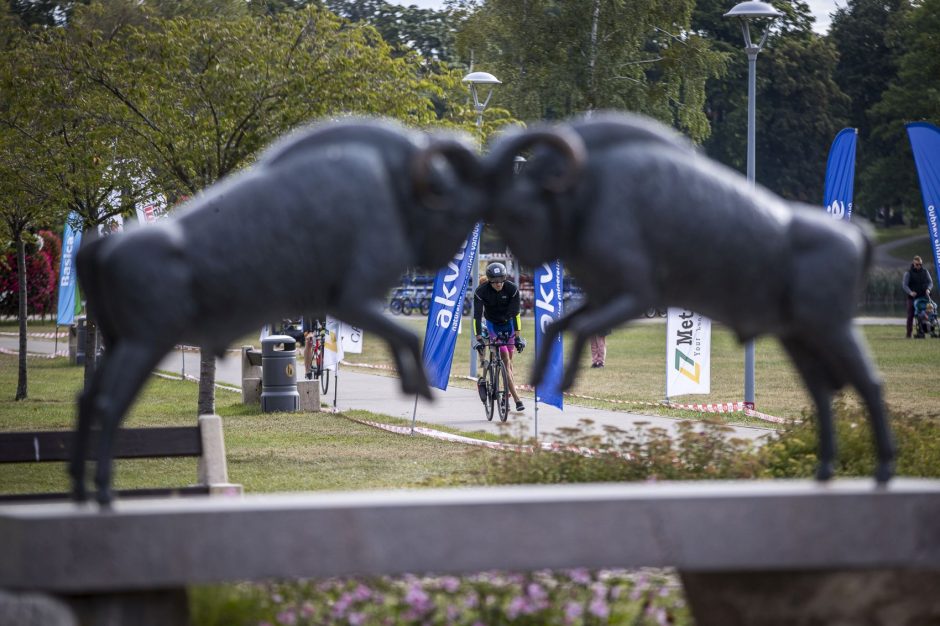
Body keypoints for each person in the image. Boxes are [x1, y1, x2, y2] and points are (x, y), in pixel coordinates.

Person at [473, 262, 526, 412]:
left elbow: (516, 314)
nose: (499, 284)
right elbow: (476, 318)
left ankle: (505, 394)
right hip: (492, 325)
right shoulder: (481, 292)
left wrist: (517, 337)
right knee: (504, 357)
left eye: (501, 280)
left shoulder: (512, 289)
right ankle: (516, 399)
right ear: (489, 281)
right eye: (495, 282)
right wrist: (478, 339)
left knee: (508, 365)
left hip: (508, 324)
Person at [903, 256, 933, 338]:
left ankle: (924, 330)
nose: (919, 266)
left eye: (920, 264)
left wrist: (928, 289)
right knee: (910, 315)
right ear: (913, 264)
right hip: (912, 298)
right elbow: (904, 285)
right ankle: (909, 334)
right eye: (917, 264)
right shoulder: (908, 273)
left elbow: (930, 283)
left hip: (924, 297)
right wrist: (910, 292)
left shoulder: (925, 272)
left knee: (926, 314)